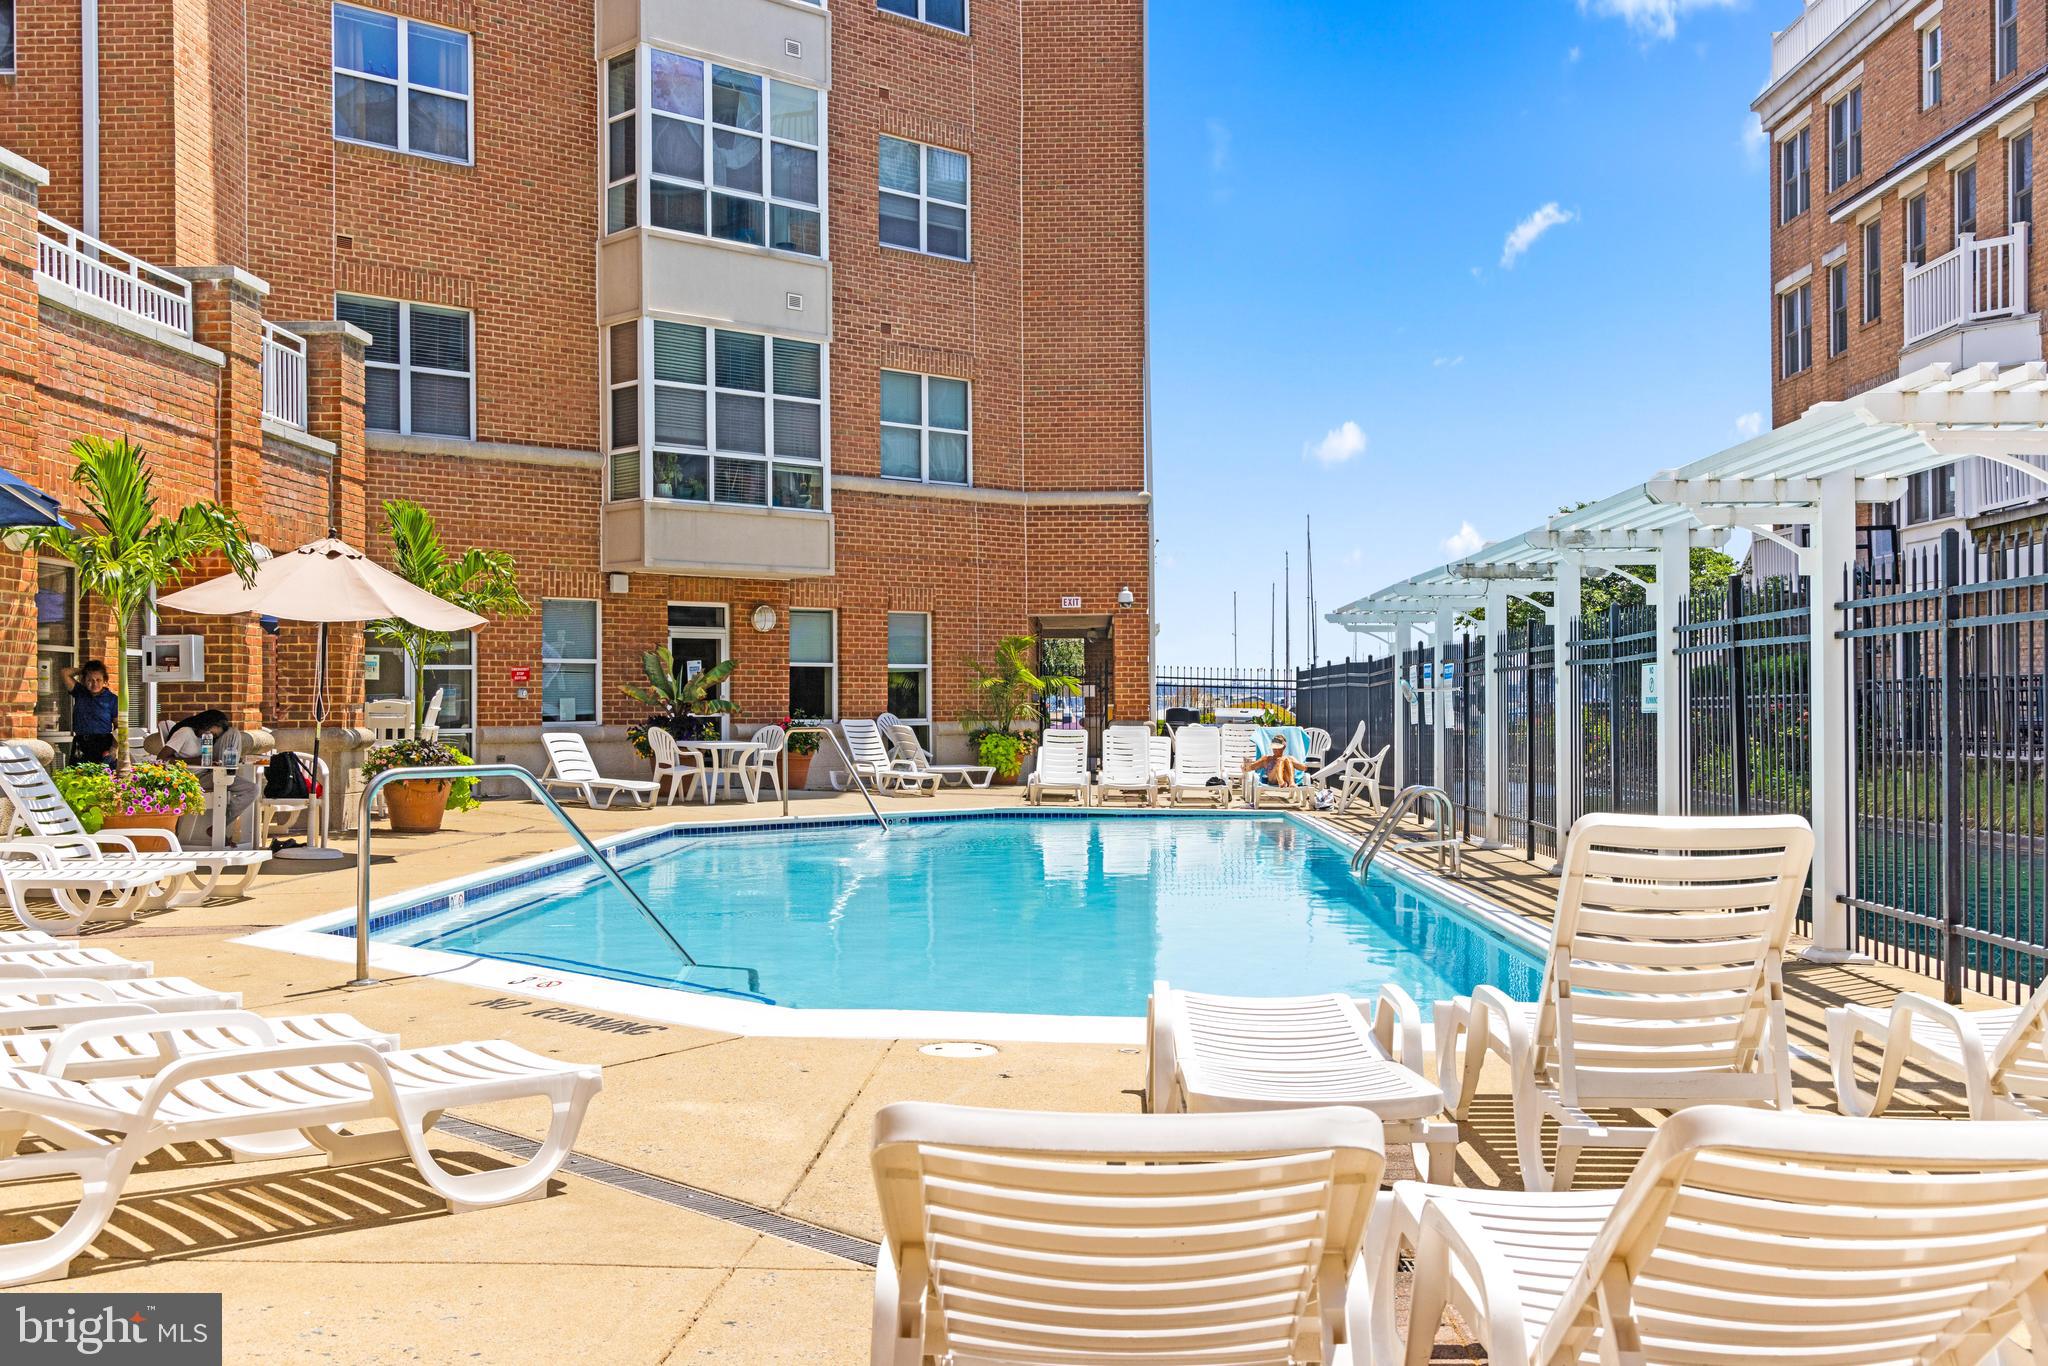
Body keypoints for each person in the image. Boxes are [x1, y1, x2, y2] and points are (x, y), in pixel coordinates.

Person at [161, 709, 257, 846]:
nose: (213, 735)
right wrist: (196, 761)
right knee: (233, 735)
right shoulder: (185, 732)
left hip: (208, 775)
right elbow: (162, 758)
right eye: (214, 731)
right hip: (191, 778)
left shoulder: (204, 739)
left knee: (252, 789)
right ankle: (228, 774)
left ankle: (219, 826)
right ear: (207, 723)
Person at [62, 660, 119, 765]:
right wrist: (84, 670)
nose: (94, 684)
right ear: (84, 680)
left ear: (104, 681)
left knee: (102, 778)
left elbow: (119, 727)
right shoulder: (80, 692)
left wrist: (114, 748)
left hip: (103, 744)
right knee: (76, 777)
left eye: (98, 679)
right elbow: (65, 672)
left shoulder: (112, 700)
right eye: (90, 680)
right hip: (81, 743)